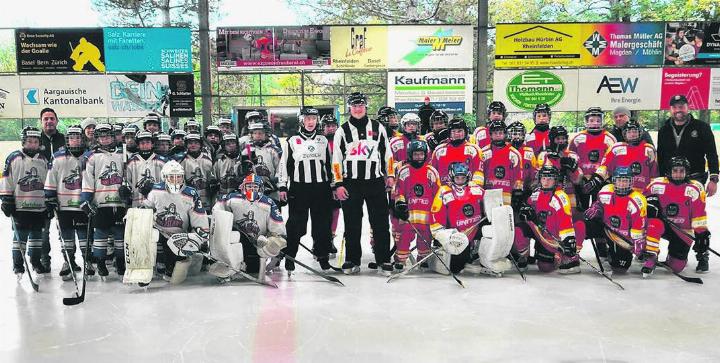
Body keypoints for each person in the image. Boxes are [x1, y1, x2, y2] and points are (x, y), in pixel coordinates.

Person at [332, 92, 395, 275]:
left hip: (375, 182)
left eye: (361, 105)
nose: (358, 109)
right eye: (354, 106)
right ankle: (352, 260)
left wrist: (390, 174)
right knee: (352, 222)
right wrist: (338, 184)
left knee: (381, 222)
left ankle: (383, 259)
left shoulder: (378, 127)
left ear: (366, 107)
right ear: (349, 108)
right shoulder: (342, 131)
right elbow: (336, 159)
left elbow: (387, 154)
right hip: (351, 183)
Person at [277, 106, 334, 273]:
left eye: (314, 119)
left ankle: (322, 256)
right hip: (299, 188)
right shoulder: (292, 141)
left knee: (322, 225)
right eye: (307, 119)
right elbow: (284, 165)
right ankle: (290, 257)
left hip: (321, 188)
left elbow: (330, 165)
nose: (311, 122)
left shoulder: (323, 141)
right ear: (301, 120)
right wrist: (282, 186)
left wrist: (333, 185)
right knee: (296, 225)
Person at [143, 160, 210, 282]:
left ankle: (182, 261)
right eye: (171, 177)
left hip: (181, 235)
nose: (175, 180)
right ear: (164, 177)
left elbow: (199, 217)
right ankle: (147, 269)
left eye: (178, 177)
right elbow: (146, 208)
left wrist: (200, 236)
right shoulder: (156, 191)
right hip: (160, 231)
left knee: (175, 273)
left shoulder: (190, 193)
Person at [645, 156, 710, 274]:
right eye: (675, 171)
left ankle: (681, 256)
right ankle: (651, 254)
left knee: (675, 268)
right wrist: (650, 204)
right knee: (652, 223)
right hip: (664, 225)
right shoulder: (657, 184)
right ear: (669, 171)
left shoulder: (695, 188)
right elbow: (644, 200)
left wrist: (702, 235)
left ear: (687, 172)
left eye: (682, 171)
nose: (678, 174)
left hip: (683, 231)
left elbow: (699, 215)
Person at [213, 173, 287, 275]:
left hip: (256, 245)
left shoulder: (268, 203)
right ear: (243, 187)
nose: (252, 189)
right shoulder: (232, 199)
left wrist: (272, 246)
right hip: (236, 241)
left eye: (255, 187)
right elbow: (217, 211)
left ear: (260, 188)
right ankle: (227, 262)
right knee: (231, 235)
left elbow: (278, 232)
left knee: (253, 269)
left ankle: (246, 262)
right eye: (249, 186)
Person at [430, 162, 495, 275]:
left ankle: (485, 258)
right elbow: (435, 214)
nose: (460, 180)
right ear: (451, 177)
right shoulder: (444, 191)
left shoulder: (475, 189)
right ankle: (468, 256)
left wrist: (493, 210)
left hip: (474, 229)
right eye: (457, 178)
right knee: (456, 268)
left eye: (463, 177)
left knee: (492, 232)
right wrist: (442, 235)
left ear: (468, 177)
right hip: (457, 236)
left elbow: (489, 204)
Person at [45, 125, 92, 279]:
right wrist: (50, 197)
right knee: (67, 238)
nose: (75, 140)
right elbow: (51, 178)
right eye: (72, 138)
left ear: (83, 139)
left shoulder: (89, 156)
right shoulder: (57, 156)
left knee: (85, 238)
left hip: (82, 206)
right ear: (67, 140)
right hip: (63, 205)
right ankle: (69, 261)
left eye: (78, 137)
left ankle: (88, 261)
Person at [79, 124, 126, 278]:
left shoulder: (122, 154)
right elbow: (87, 180)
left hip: (119, 204)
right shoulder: (91, 156)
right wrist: (86, 200)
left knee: (120, 236)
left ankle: (120, 262)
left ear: (113, 137)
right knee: (100, 235)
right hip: (100, 203)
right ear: (97, 138)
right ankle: (100, 262)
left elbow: (128, 176)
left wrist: (129, 192)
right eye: (101, 136)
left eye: (108, 136)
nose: (105, 139)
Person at [1, 127, 49, 275]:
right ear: (23, 142)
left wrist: (50, 201)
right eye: (29, 141)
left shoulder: (43, 160)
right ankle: (18, 265)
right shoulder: (14, 158)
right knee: (20, 238)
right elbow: (6, 179)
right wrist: (6, 199)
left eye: (35, 142)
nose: (32, 144)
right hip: (20, 207)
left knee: (36, 237)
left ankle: (35, 262)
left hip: (39, 207)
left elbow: (48, 181)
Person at [514, 165, 580, 273]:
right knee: (519, 230)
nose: (546, 181)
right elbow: (527, 208)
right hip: (539, 232)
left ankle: (564, 257)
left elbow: (565, 221)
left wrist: (568, 242)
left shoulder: (560, 197)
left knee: (545, 268)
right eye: (543, 178)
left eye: (550, 178)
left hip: (551, 238)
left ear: (556, 180)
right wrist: (525, 210)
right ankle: (523, 257)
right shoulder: (536, 193)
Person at [583, 167, 648, 275]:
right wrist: (596, 209)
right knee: (581, 225)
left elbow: (639, 225)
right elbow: (599, 205)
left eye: (625, 181)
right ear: (614, 181)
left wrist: (637, 241)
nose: (622, 184)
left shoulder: (637, 200)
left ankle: (612, 253)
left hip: (622, 238)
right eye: (619, 180)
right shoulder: (606, 191)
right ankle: (572, 256)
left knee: (620, 269)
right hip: (606, 228)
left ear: (631, 182)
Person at [392, 140, 440, 270]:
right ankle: (400, 261)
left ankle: (422, 259)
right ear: (410, 155)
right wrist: (400, 203)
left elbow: (438, 193)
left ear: (425, 154)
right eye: (415, 154)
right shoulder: (404, 171)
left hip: (426, 216)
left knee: (425, 239)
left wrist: (436, 212)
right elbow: (398, 190)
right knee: (403, 238)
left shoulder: (431, 172)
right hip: (408, 215)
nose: (418, 157)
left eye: (421, 154)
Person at [657, 94, 718, 197]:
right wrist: (660, 179)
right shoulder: (663, 130)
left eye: (681, 107)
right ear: (670, 109)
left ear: (688, 107)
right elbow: (661, 157)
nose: (677, 110)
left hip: (694, 178)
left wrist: (713, 180)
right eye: (674, 107)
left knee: (694, 211)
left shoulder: (702, 127)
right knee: (670, 211)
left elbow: (711, 154)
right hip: (670, 180)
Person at [585, 119, 658, 196]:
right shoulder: (616, 148)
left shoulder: (649, 149)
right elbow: (605, 167)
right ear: (624, 134)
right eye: (629, 132)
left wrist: (652, 194)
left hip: (642, 194)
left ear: (640, 132)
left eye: (635, 131)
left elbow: (654, 173)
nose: (632, 134)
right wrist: (596, 179)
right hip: (619, 191)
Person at [570, 107, 617, 210]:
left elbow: (613, 162)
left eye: (598, 120)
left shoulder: (610, 138)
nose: (595, 123)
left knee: (599, 210)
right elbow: (572, 157)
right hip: (582, 181)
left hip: (601, 181)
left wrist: (599, 178)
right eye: (591, 120)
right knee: (581, 209)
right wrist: (578, 177)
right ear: (586, 121)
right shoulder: (577, 138)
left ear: (602, 121)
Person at [38, 108, 65, 272]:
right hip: (42, 193)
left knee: (64, 229)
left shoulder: (64, 139)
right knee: (44, 229)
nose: (49, 121)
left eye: (52, 118)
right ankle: (44, 259)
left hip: (63, 191)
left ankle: (68, 260)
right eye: (46, 119)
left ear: (57, 120)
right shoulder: (35, 140)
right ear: (41, 121)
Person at [430, 116, 484, 186]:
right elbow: (433, 175)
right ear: (449, 133)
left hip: (467, 193)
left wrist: (473, 191)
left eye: (460, 131)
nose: (456, 134)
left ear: (465, 132)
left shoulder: (474, 150)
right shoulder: (439, 150)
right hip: (444, 193)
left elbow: (478, 175)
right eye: (453, 131)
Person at [481, 120, 523, 206]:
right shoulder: (484, 152)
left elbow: (518, 176)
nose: (498, 135)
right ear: (491, 135)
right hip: (488, 194)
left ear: (505, 134)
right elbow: (481, 174)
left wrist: (517, 193)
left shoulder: (514, 154)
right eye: (495, 133)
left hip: (507, 194)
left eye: (500, 132)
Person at [177, 133, 218, 210]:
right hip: (187, 199)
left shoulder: (207, 160)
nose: (193, 145)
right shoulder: (182, 160)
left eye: (196, 143)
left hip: (206, 199)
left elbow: (212, 180)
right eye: (190, 143)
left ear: (201, 145)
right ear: (186, 145)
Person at [244, 121, 282, 203]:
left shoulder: (274, 150)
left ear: (266, 134)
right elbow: (243, 170)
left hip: (272, 190)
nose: (258, 135)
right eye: (255, 133)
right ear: (251, 135)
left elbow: (281, 169)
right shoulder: (247, 150)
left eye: (260, 133)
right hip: (253, 190)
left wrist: (275, 182)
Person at [321, 114, 341, 254]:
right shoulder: (319, 141)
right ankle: (320, 240)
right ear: (323, 127)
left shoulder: (341, 140)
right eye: (328, 126)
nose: (331, 128)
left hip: (338, 182)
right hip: (321, 182)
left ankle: (331, 240)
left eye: (333, 125)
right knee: (321, 213)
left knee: (335, 211)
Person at [506, 121, 537, 191]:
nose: (517, 136)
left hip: (525, 189)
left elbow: (534, 173)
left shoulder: (529, 151)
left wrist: (531, 186)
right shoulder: (505, 150)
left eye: (520, 134)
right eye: (514, 134)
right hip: (508, 188)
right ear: (509, 135)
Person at [214, 133, 241, 197]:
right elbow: (215, 178)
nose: (231, 145)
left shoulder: (241, 159)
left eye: (233, 143)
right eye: (228, 144)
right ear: (223, 146)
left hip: (239, 196)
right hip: (223, 195)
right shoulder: (219, 160)